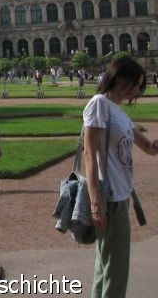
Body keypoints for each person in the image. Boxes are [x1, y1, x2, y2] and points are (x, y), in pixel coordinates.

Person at [83, 56, 158, 297]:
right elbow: (89, 154)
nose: (138, 90)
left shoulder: (119, 111)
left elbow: (148, 147)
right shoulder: (99, 104)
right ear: (120, 78)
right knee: (116, 273)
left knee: (105, 269)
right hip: (109, 199)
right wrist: (95, 203)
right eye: (136, 84)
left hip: (121, 197)